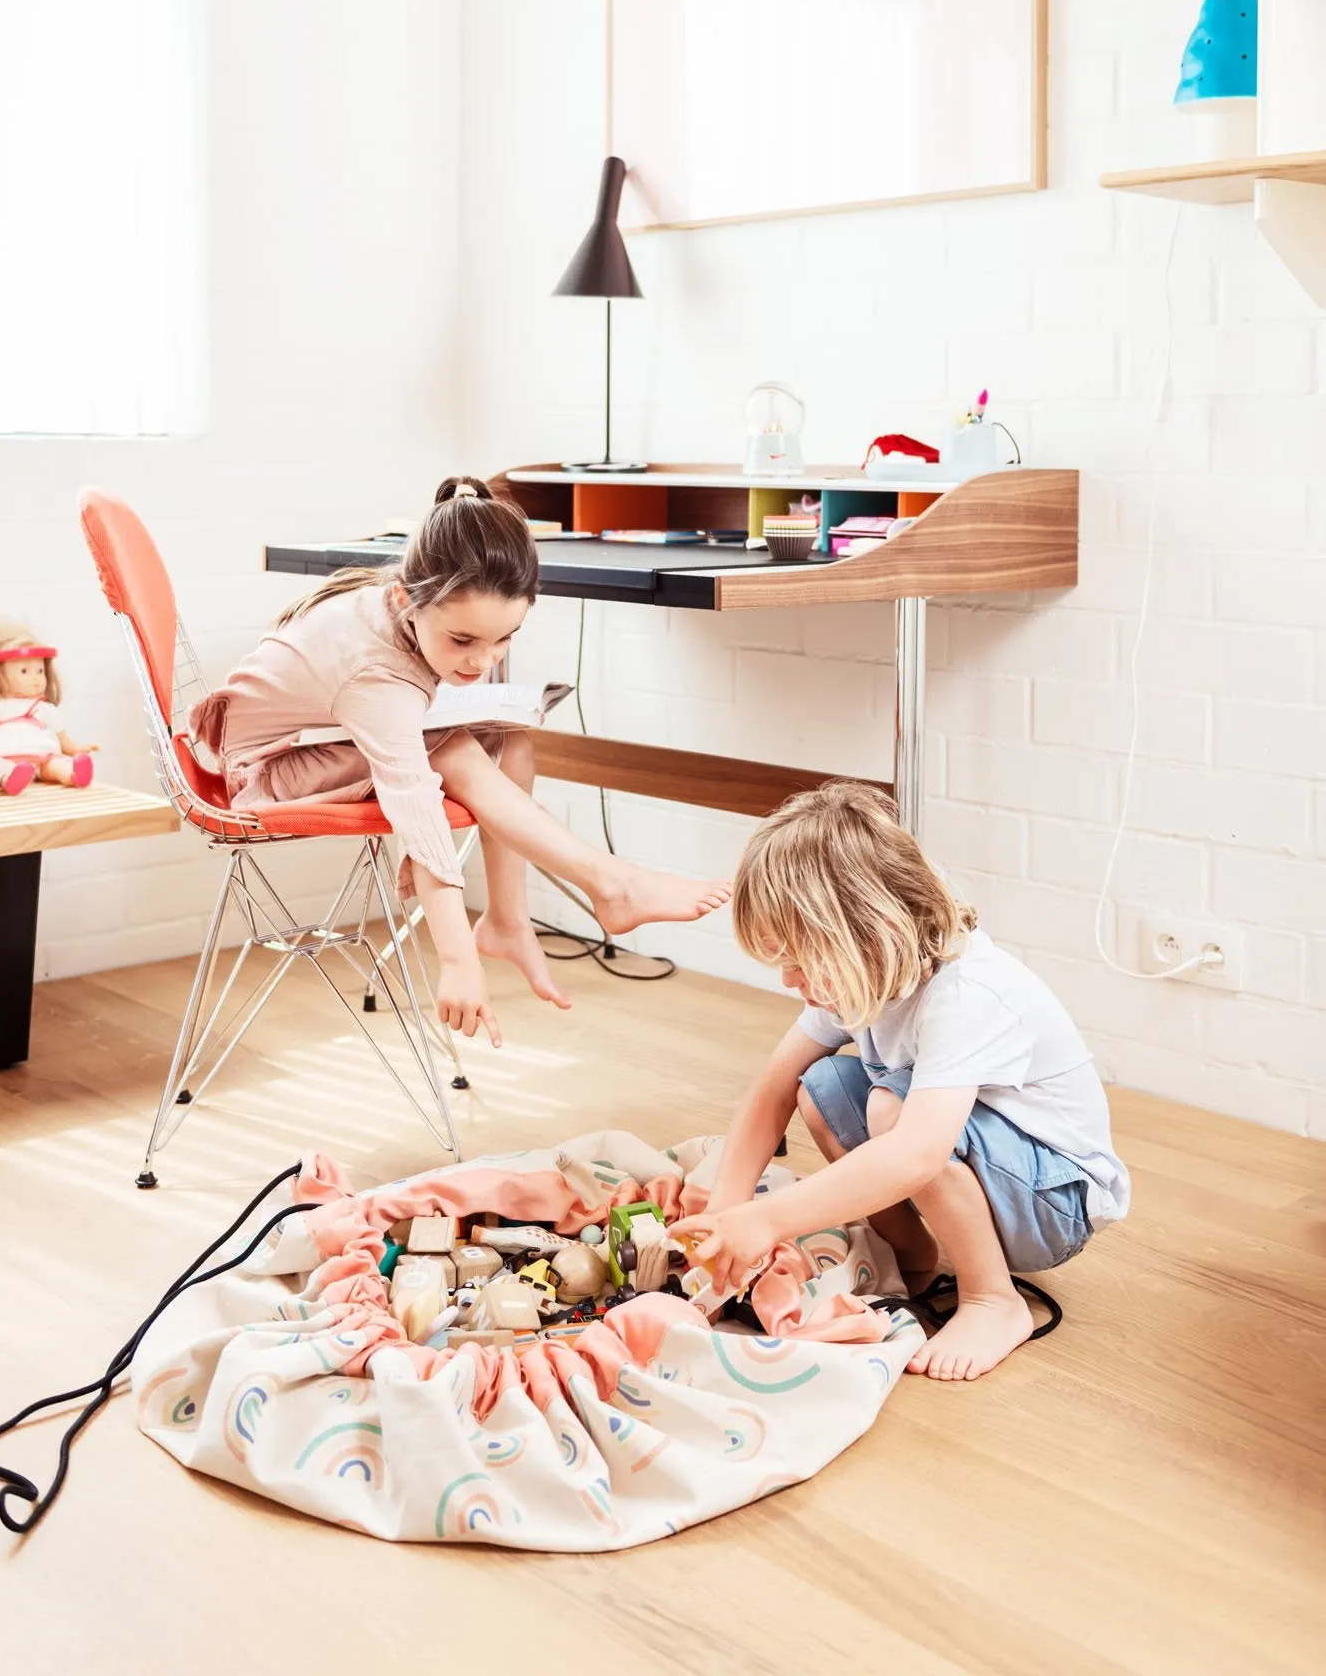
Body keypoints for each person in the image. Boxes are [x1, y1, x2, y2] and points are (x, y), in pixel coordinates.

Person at [191, 476, 729, 1045]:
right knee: (449, 747)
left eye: (505, 639)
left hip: (312, 741)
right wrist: (455, 961)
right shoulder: (377, 676)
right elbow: (416, 814)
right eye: (463, 641)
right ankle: (612, 884)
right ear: (406, 598)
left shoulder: (402, 604)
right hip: (264, 772)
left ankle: (507, 920)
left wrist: (468, 665)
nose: (483, 660)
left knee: (513, 741)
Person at [672, 781, 1129, 1380]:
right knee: (822, 1087)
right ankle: (912, 1253)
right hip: (991, 1173)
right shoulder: (859, 975)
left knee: (892, 1111)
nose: (789, 980)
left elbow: (917, 1153)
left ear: (866, 933)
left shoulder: (966, 994)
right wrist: (729, 1209)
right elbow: (775, 1085)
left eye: (799, 961)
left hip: (1053, 1203)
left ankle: (993, 1298)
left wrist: (769, 1219)